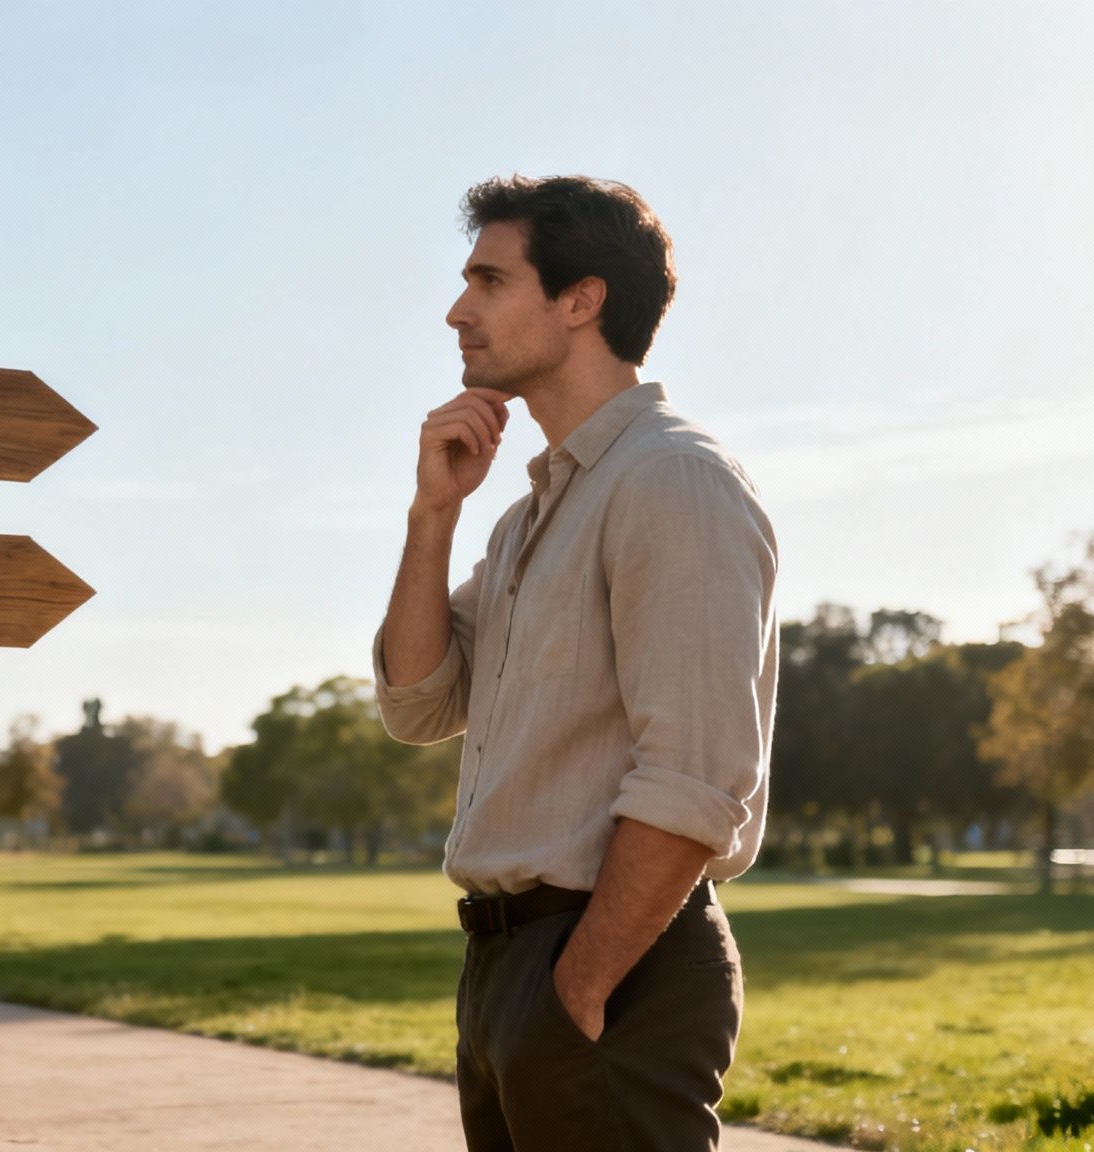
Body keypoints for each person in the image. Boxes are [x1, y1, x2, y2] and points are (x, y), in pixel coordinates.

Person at [373, 175, 779, 1151]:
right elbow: (417, 704)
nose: (455, 310)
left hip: (608, 968)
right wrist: (432, 517)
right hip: (504, 969)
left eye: (487, 279)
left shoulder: (671, 480)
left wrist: (579, 988)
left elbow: (693, 776)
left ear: (578, 300)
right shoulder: (525, 521)